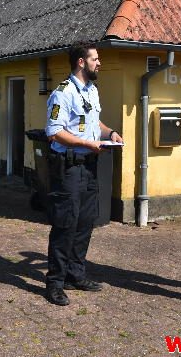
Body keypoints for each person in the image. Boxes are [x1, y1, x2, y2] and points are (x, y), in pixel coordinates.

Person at [43, 43, 124, 306]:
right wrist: (86, 144)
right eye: (95, 59)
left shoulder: (92, 90)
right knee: (66, 223)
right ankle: (54, 283)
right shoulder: (62, 93)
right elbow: (54, 132)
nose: (99, 63)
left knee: (86, 221)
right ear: (81, 62)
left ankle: (74, 275)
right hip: (68, 167)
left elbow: (93, 122)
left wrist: (109, 133)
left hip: (89, 165)